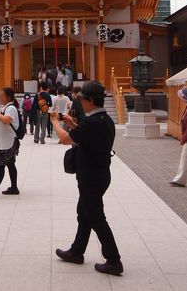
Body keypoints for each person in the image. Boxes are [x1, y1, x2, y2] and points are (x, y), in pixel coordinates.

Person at [52, 80, 123, 276]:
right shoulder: (105, 119)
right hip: (99, 174)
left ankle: (114, 260)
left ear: (91, 100)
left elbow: (65, 139)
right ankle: (76, 251)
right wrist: (73, 124)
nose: (81, 102)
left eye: (83, 99)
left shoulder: (91, 122)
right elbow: (87, 137)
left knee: (96, 218)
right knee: (84, 214)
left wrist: (55, 122)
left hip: (91, 176)